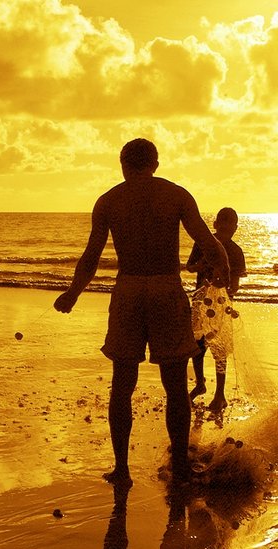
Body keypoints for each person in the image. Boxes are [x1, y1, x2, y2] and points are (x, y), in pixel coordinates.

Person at [54, 139, 229, 486]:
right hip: (167, 289)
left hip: (129, 290)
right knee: (175, 385)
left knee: (123, 383)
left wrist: (74, 293)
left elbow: (91, 255)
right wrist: (223, 272)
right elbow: (208, 241)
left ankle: (122, 469)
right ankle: (179, 466)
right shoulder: (176, 194)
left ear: (123, 164)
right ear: (155, 163)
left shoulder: (109, 200)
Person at [186, 207, 247, 412]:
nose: (226, 227)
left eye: (230, 224)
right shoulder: (203, 244)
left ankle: (220, 393)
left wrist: (223, 286)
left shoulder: (236, 252)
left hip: (221, 307)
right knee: (197, 345)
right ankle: (200, 383)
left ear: (236, 228)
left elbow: (235, 286)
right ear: (215, 224)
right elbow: (189, 266)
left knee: (220, 349)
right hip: (200, 302)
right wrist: (201, 267)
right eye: (223, 222)